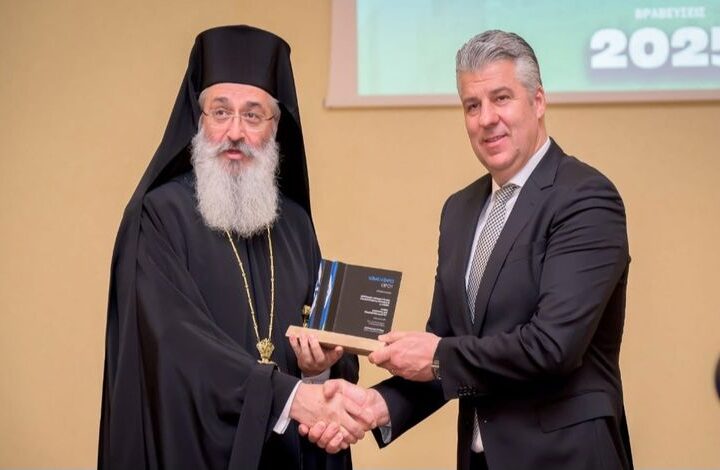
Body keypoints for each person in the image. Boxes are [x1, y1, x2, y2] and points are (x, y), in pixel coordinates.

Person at [305, 30, 634, 469]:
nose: (486, 119)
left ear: (538, 101)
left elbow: (552, 346)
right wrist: (375, 406)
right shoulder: (459, 210)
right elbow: (450, 348)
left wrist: (437, 356)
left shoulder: (585, 198)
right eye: (472, 105)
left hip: (568, 459)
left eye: (501, 99)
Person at [98, 25, 374, 470]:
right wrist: (287, 396)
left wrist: (318, 370)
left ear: (275, 127)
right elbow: (174, 343)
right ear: (199, 120)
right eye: (220, 112)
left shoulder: (295, 225)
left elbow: (325, 346)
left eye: (253, 115)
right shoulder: (159, 217)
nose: (235, 132)